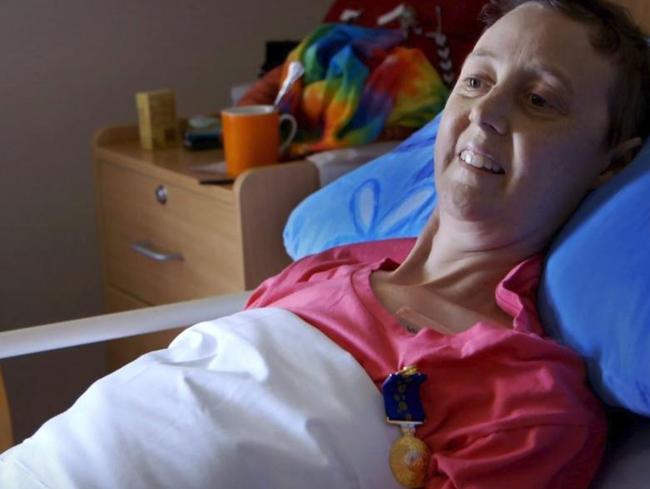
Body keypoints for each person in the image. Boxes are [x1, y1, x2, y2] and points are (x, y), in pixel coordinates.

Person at [246, 0, 650, 487]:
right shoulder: (326, 267)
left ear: (611, 163)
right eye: (477, 81)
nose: (485, 112)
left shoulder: (525, 399)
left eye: (539, 99)